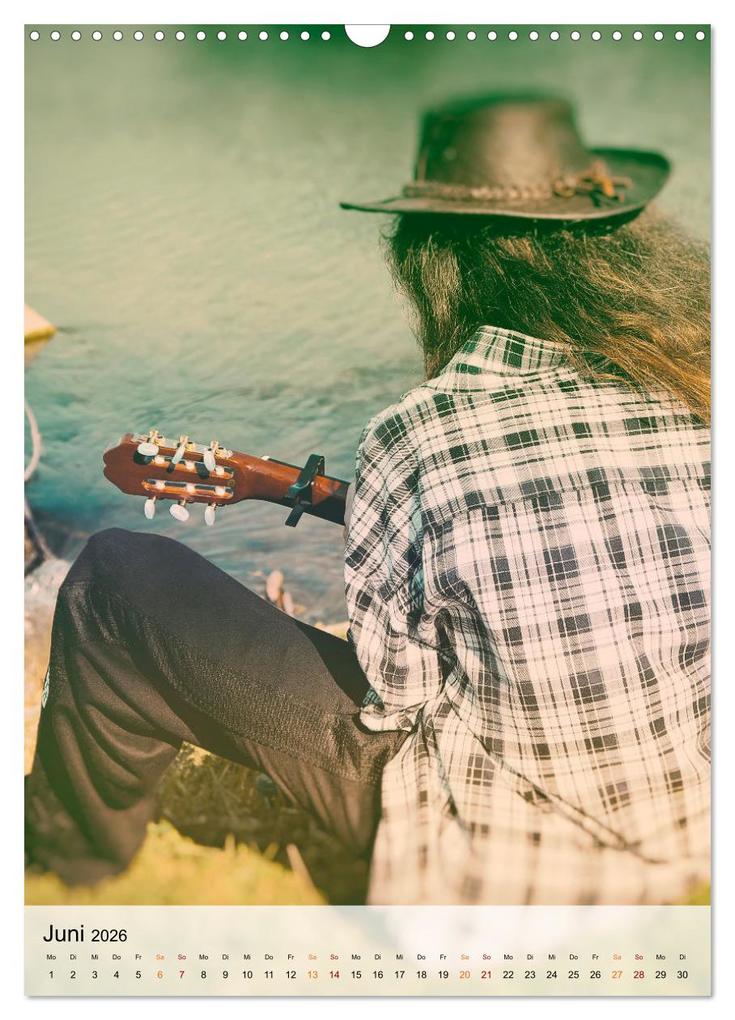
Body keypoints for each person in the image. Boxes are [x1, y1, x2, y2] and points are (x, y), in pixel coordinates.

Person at [26, 95, 710, 905]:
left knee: (116, 574)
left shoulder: (425, 431)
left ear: (435, 259)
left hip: (501, 860)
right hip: (686, 823)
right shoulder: (688, 394)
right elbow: (566, 538)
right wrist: (287, 487)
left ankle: (65, 861)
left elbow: (400, 687)